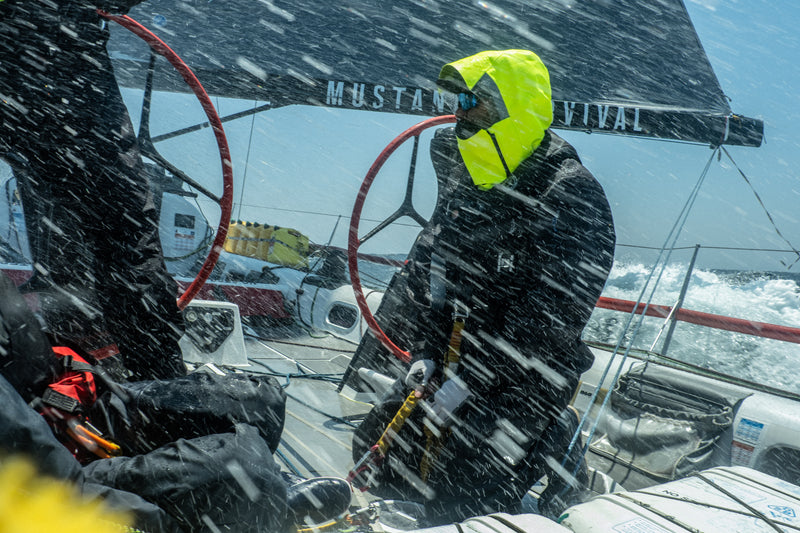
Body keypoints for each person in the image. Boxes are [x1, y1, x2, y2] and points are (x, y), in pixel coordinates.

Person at [352, 49, 616, 525]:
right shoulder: (470, 175)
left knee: (463, 498)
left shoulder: (571, 193)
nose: (459, 110)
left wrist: (468, 382)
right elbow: (436, 271)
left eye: (472, 98)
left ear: (511, 104)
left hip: (528, 379)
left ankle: (554, 436)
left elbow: (551, 319)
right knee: (376, 456)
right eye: (456, 97)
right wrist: (426, 353)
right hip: (454, 358)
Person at [0, 269, 353, 532]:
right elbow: (51, 486)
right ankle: (253, 495)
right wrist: (160, 525)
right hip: (61, 474)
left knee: (260, 397)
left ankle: (265, 490)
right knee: (239, 463)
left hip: (74, 404)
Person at [0, 0, 185, 381]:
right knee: (125, 229)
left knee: (124, 228)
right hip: (62, 58)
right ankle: (160, 388)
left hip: (43, 50)